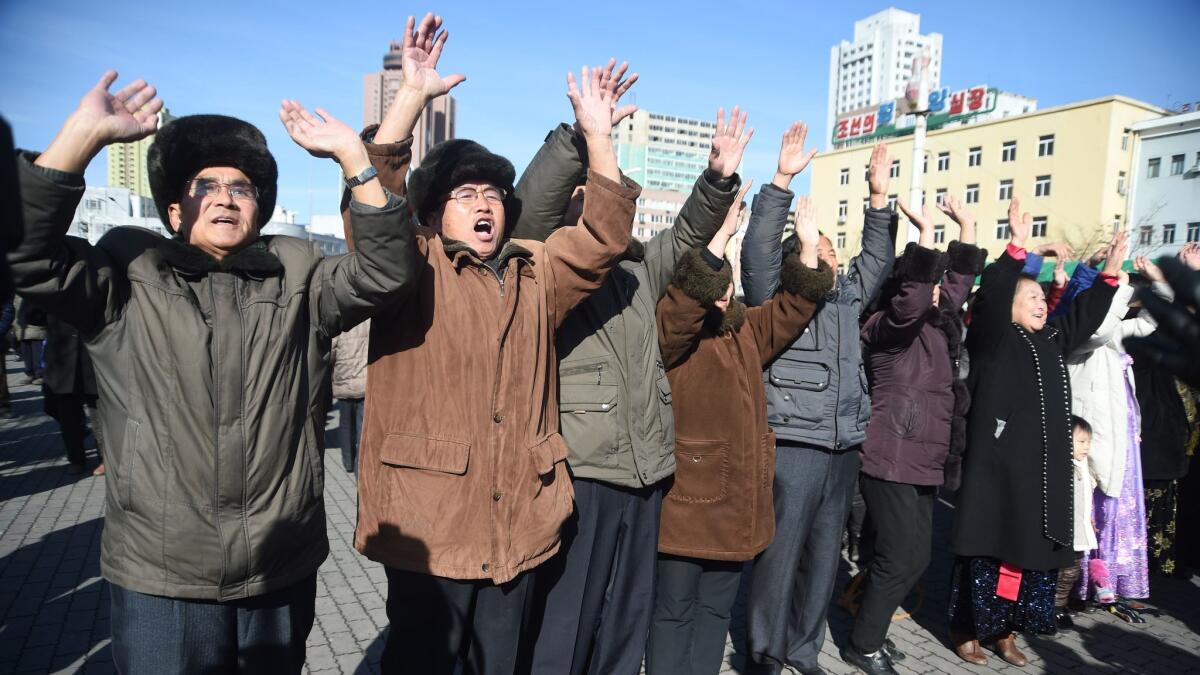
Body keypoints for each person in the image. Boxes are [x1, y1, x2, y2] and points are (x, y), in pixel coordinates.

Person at [7, 56, 417, 671]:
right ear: (175, 211)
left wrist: (352, 159)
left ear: (259, 208)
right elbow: (26, 257)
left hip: (277, 567)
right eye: (205, 185)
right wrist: (82, 137)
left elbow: (386, 271)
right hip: (162, 574)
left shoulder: (298, 271)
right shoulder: (128, 270)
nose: (224, 197)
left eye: (241, 187)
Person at [349, 24, 641, 673]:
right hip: (432, 525)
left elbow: (602, 235)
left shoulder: (536, 270)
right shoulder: (410, 265)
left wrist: (597, 134)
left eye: (490, 195)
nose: (482, 205)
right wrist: (409, 100)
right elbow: (374, 214)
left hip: (521, 522)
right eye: (463, 194)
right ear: (431, 214)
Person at [517, 93, 748, 675]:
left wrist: (718, 178)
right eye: (593, 194)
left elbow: (691, 231)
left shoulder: (641, 266)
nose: (608, 204)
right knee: (567, 619)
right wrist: (582, 137)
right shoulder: (543, 262)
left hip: (647, 470)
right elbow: (529, 208)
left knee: (626, 617)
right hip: (585, 468)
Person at [646, 182, 833, 675]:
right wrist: (718, 240)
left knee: (713, 611)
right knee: (672, 612)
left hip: (737, 509)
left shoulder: (745, 328)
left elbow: (794, 308)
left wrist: (809, 247)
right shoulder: (677, 331)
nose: (724, 290)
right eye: (716, 280)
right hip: (688, 506)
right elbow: (678, 316)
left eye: (728, 282)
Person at [740, 141, 897, 675]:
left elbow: (877, 259)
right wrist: (781, 181)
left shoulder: (847, 298)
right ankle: (764, 653)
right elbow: (758, 252)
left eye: (832, 250)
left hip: (843, 445)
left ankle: (803, 650)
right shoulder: (777, 296)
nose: (830, 257)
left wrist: (879, 198)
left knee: (824, 558)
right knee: (779, 558)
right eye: (818, 248)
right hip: (794, 443)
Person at [948, 198, 1119, 668]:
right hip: (996, 469)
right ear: (1010, 308)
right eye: (1032, 299)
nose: (1042, 304)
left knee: (1026, 553)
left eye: (1043, 299)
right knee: (987, 551)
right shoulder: (994, 337)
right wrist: (1017, 249)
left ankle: (1006, 630)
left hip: (1040, 473)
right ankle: (967, 630)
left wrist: (1109, 274)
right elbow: (995, 293)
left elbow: (1083, 316)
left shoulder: (1050, 339)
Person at [842, 195, 984, 675]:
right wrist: (925, 235)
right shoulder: (887, 327)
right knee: (899, 558)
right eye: (929, 280)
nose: (941, 291)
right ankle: (861, 646)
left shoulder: (940, 328)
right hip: (890, 457)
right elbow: (915, 300)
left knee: (915, 557)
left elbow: (955, 291)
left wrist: (967, 227)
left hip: (923, 461)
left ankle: (872, 634)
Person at [42, 313, 104, 474]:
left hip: (92, 355)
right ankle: (76, 458)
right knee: (67, 416)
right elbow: (34, 313)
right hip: (61, 358)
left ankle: (105, 458)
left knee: (100, 413)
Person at [1054, 415, 1097, 631]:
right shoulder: (1062, 467)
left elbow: (1085, 497)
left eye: (1088, 441)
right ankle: (1054, 607)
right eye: (1081, 442)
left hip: (1080, 529)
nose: (1086, 447)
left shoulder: (1083, 465)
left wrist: (1089, 518)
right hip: (1065, 530)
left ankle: (1060, 605)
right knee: (1061, 570)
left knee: (1073, 571)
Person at [331, 318, 368, 474]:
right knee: (362, 426)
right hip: (364, 383)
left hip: (344, 382)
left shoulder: (340, 323)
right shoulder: (368, 322)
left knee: (345, 425)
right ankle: (360, 462)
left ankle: (347, 462)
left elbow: (331, 352)